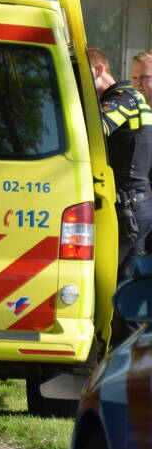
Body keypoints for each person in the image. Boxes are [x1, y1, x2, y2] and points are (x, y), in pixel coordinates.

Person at [88, 47, 152, 284]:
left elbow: (95, 131)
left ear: (98, 70)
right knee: (127, 285)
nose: (137, 83)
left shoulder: (121, 98)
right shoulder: (136, 98)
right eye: (135, 77)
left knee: (103, 280)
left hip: (129, 207)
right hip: (139, 203)